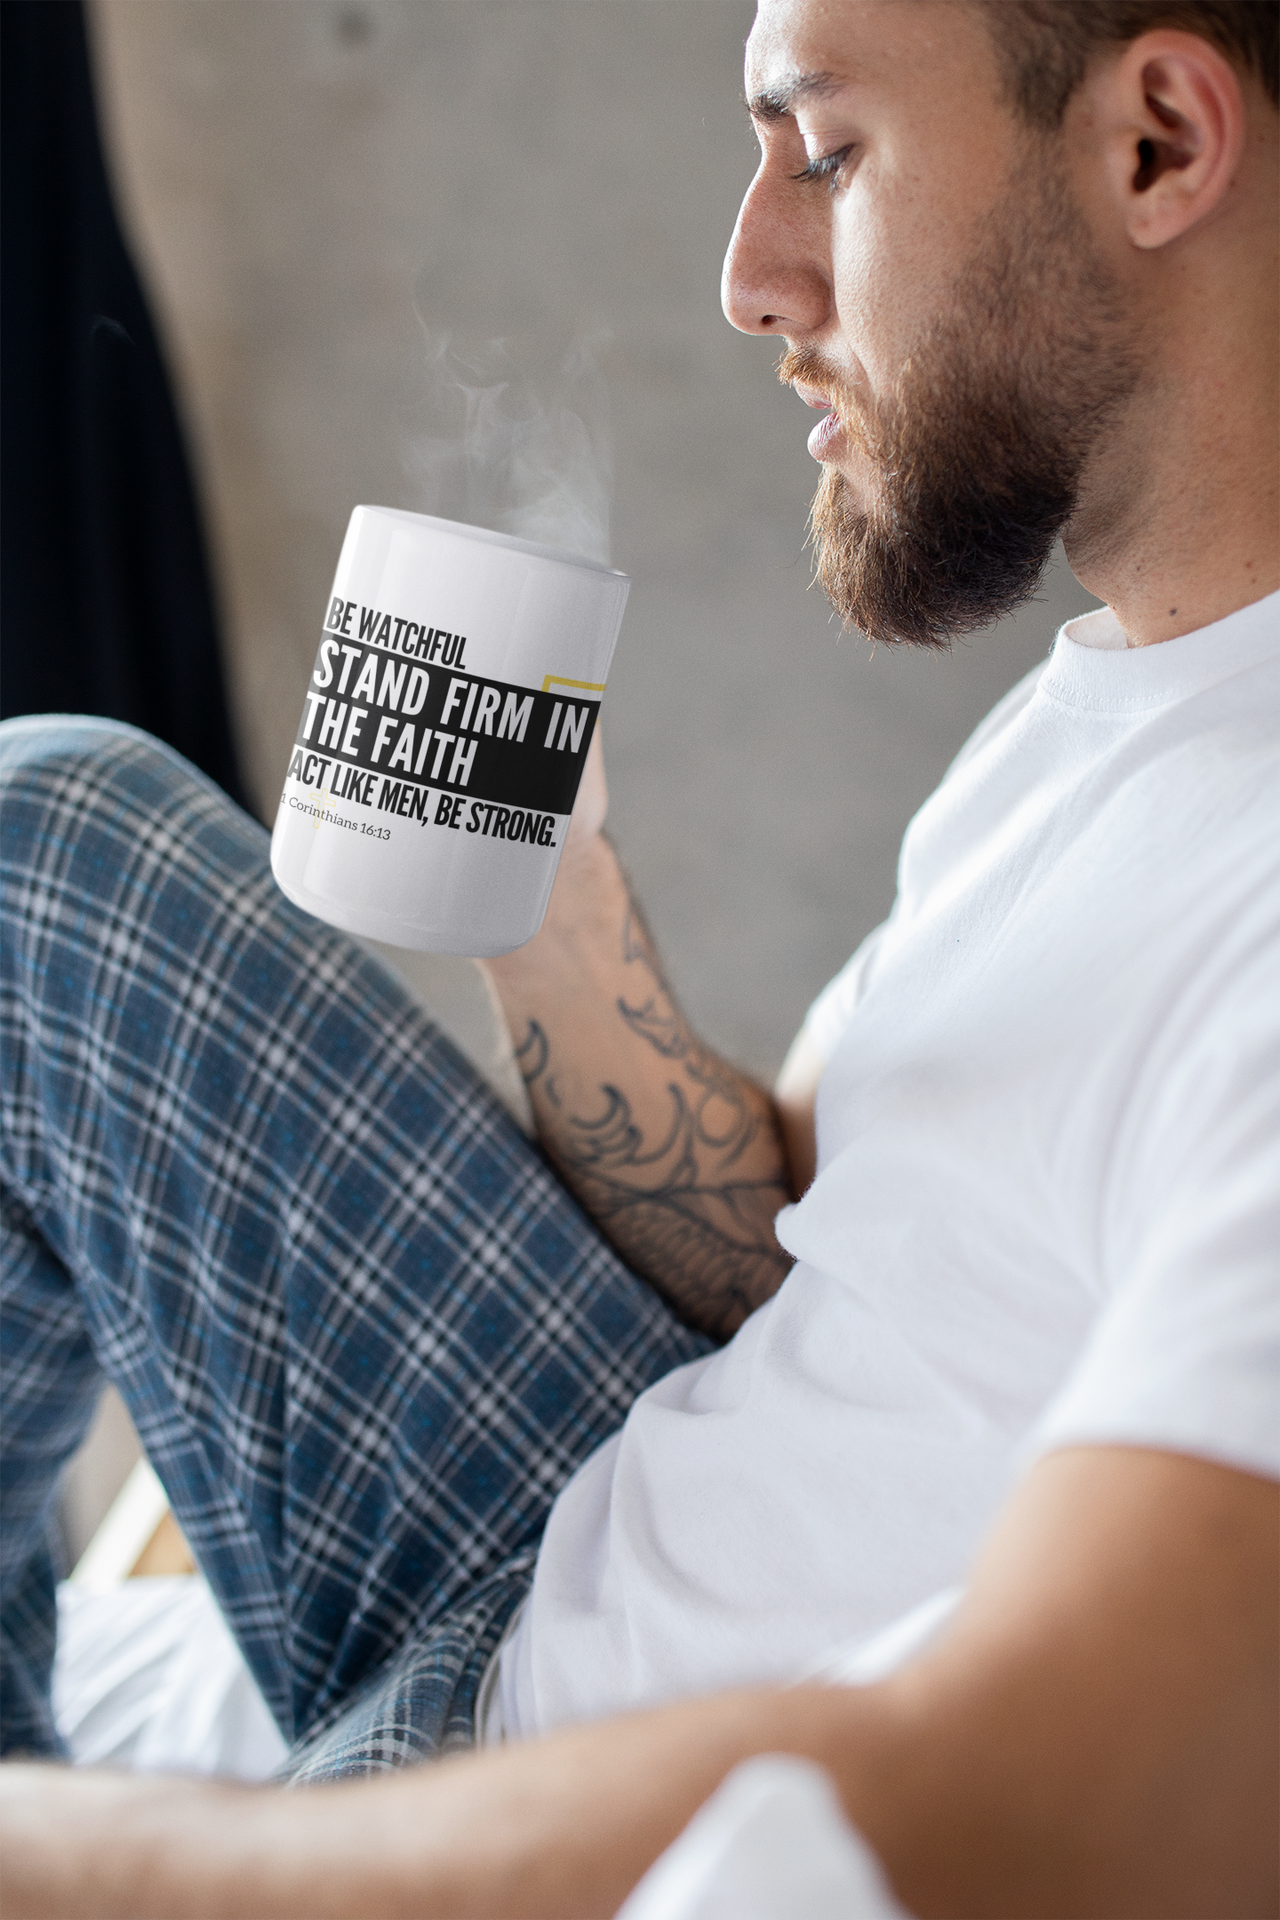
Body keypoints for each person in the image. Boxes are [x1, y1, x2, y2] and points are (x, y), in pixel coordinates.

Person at [1, 0, 1277, 1911]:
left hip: (589, 1770)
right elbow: (789, 1248)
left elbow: (1073, 1800)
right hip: (561, 1531)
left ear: (1160, 144)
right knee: (47, 846)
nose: (749, 278)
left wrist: (97, 1867)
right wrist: (548, 902)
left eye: (825, 155)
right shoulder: (1109, 714)